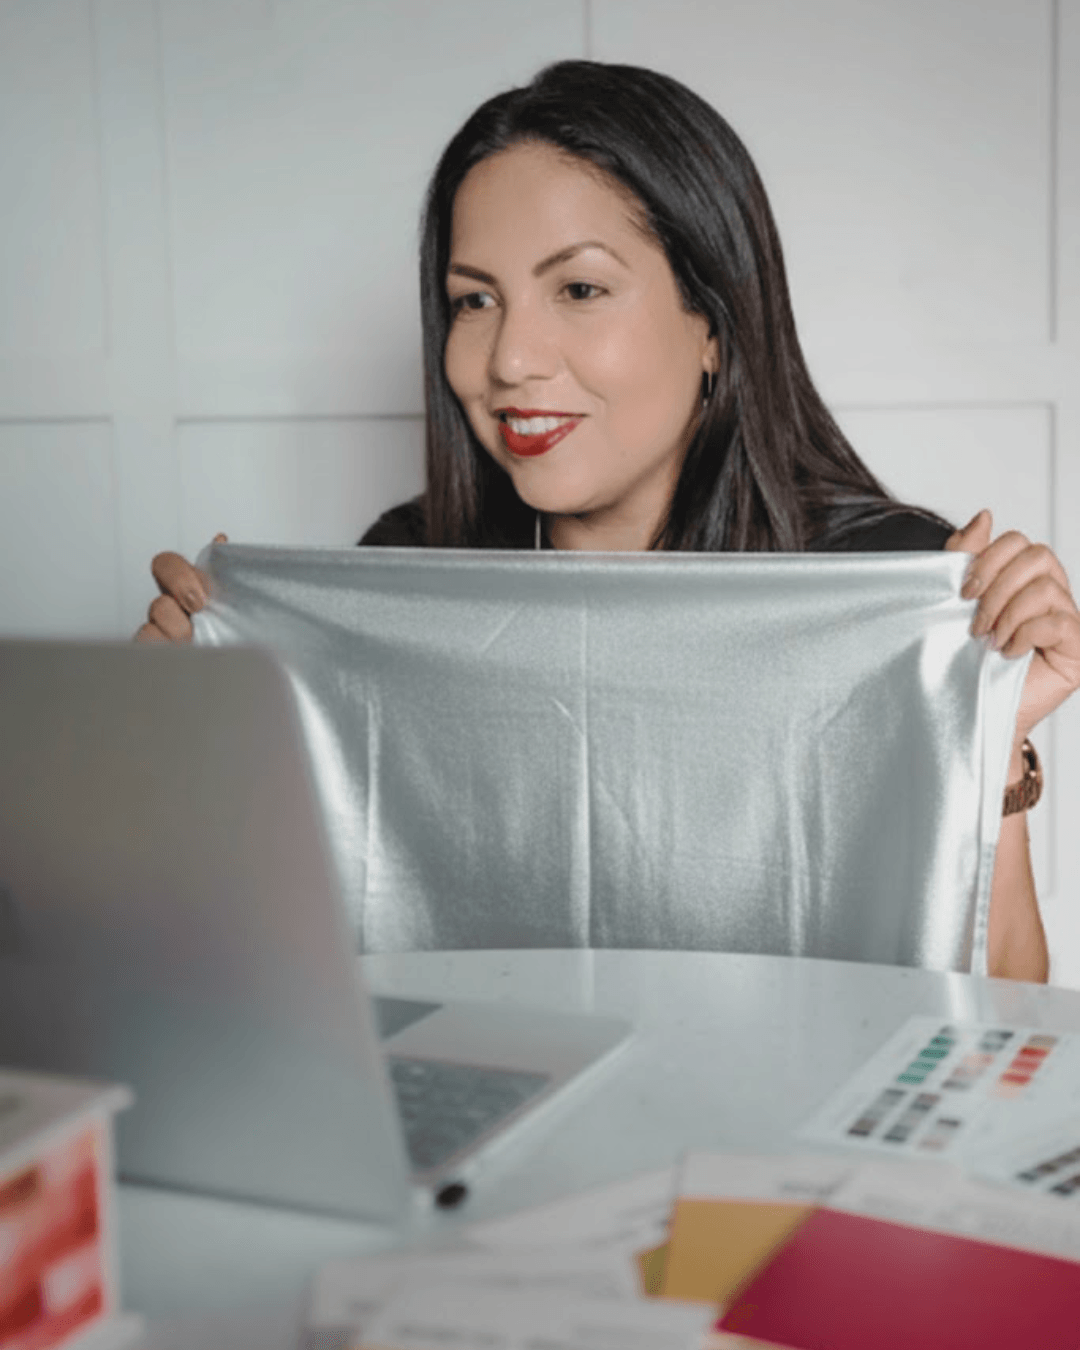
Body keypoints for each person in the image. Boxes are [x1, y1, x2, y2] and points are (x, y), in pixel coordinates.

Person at [136, 61, 1080, 982]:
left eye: (579, 290)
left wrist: (983, 737)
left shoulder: (890, 587)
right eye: (474, 300)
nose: (510, 359)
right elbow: (282, 958)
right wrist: (187, 749)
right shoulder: (404, 576)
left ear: (713, 325)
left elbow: (998, 1017)